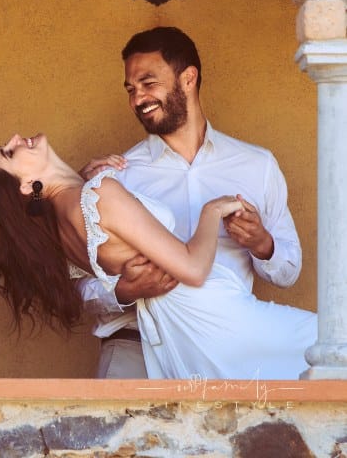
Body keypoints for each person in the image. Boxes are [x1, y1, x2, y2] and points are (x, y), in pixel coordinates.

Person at [0, 132, 317, 379]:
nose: (17, 139)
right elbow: (192, 269)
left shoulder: (62, 221)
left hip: (184, 334)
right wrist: (211, 212)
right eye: (9, 152)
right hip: (218, 316)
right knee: (330, 345)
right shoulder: (99, 196)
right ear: (23, 185)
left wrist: (79, 179)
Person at [77, 26, 315, 379]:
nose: (137, 99)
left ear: (188, 78)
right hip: (136, 350)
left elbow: (289, 269)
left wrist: (261, 244)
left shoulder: (256, 165)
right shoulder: (119, 177)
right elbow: (82, 285)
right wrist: (125, 290)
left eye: (148, 83)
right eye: (131, 89)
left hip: (232, 357)